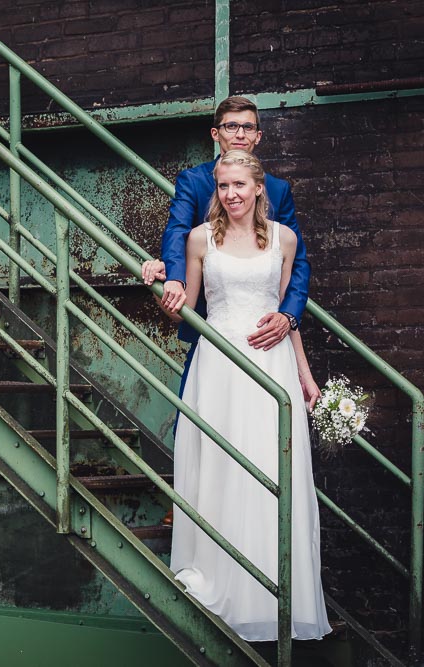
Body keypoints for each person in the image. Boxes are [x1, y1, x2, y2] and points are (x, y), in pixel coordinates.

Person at [165, 149, 330, 641]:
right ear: (214, 188)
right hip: (217, 368)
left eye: (240, 185)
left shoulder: (285, 239)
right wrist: (165, 291)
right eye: (223, 186)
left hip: (272, 365)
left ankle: (272, 599)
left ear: (259, 187)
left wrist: (304, 373)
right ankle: (221, 583)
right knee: (221, 468)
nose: (231, 194)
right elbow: (185, 313)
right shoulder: (199, 240)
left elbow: (285, 316)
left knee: (270, 470)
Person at [142, 96, 316, 406]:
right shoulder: (194, 181)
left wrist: (288, 315)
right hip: (211, 316)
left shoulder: (277, 189)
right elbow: (178, 231)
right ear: (215, 133)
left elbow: (296, 262)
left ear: (258, 136)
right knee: (199, 417)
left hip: (264, 324)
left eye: (247, 127)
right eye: (231, 126)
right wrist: (175, 277)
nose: (239, 134)